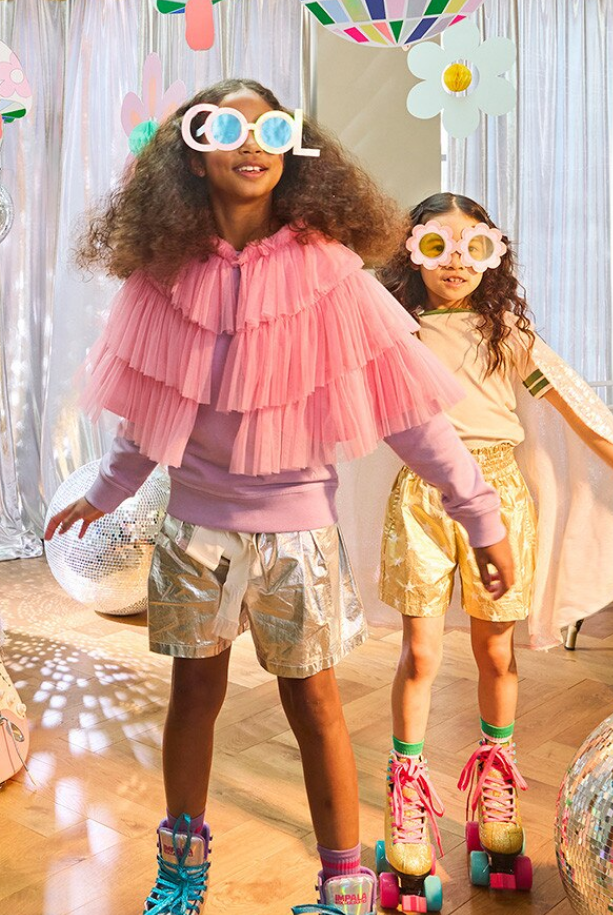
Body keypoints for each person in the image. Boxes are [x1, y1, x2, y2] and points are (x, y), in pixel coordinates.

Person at [45, 83, 514, 915]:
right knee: (193, 698)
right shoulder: (163, 278)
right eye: (226, 127)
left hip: (299, 535)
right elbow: (151, 409)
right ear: (194, 154)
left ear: (294, 150)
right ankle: (181, 874)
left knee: (315, 703)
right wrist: (107, 490)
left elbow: (411, 413)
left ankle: (344, 885)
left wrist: (479, 515)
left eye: (271, 127)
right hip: (195, 529)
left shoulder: (330, 274)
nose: (250, 140)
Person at [371, 192, 613, 905]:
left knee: (497, 654)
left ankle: (496, 788)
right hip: (421, 498)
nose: (456, 262)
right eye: (438, 245)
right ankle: (408, 793)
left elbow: (573, 403)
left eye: (474, 246)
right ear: (412, 250)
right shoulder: (397, 330)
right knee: (419, 655)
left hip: (501, 497)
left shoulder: (506, 332)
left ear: (493, 255)